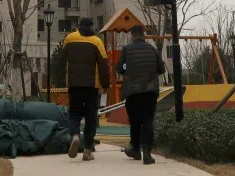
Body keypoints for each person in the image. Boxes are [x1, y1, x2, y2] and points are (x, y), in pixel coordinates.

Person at [116, 24, 165, 165]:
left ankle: (135, 149)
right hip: (150, 92)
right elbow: (161, 69)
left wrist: (127, 73)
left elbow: (118, 68)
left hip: (132, 92)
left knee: (135, 121)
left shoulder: (126, 50)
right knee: (148, 121)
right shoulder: (153, 50)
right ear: (143, 35)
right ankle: (147, 154)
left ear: (132, 35)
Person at [63, 17, 110, 161]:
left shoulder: (69, 39)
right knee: (91, 117)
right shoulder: (97, 41)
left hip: (74, 84)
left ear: (78, 26)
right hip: (91, 86)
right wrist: (105, 85)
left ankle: (75, 135)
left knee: (73, 113)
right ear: (91, 26)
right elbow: (103, 65)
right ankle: (88, 150)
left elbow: (61, 59)